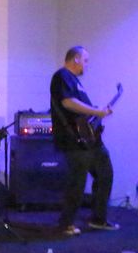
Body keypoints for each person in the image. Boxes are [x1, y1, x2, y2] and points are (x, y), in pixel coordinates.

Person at [49, 46, 118, 236]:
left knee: (105, 173)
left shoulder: (76, 81)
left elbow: (82, 110)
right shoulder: (62, 76)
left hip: (89, 139)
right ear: (76, 59)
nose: (87, 65)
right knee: (77, 181)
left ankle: (98, 218)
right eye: (85, 60)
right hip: (73, 139)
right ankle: (66, 224)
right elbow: (67, 102)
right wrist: (96, 111)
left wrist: (99, 113)